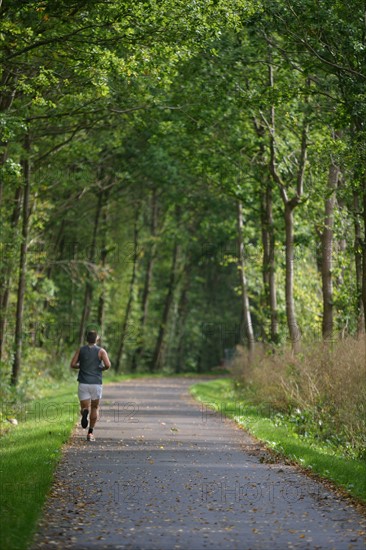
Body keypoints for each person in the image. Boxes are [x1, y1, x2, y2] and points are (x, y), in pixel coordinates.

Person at [70, 330, 111, 441]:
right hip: (96, 384)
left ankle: (84, 412)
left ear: (87, 339)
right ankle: (90, 433)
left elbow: (73, 364)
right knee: (95, 407)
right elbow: (108, 365)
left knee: (84, 407)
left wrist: (83, 366)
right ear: (96, 339)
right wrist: (100, 368)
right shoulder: (101, 351)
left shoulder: (81, 350)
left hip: (83, 383)